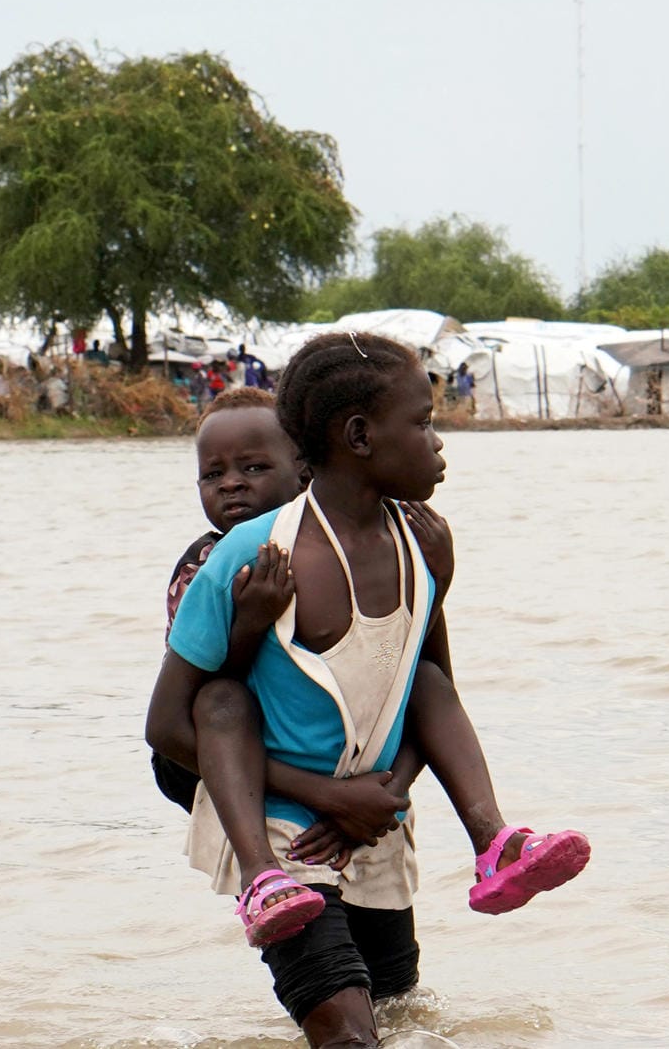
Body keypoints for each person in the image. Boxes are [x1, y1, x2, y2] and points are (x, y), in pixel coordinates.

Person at [148, 334, 590, 1047]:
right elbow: (169, 727)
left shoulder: (422, 545)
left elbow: (428, 685)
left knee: (401, 1017)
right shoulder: (243, 557)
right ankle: (263, 882)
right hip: (286, 825)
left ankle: (496, 841)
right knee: (350, 1036)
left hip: (373, 816)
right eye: (422, 423)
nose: (438, 442)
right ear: (358, 436)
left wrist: (384, 797)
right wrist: (328, 798)